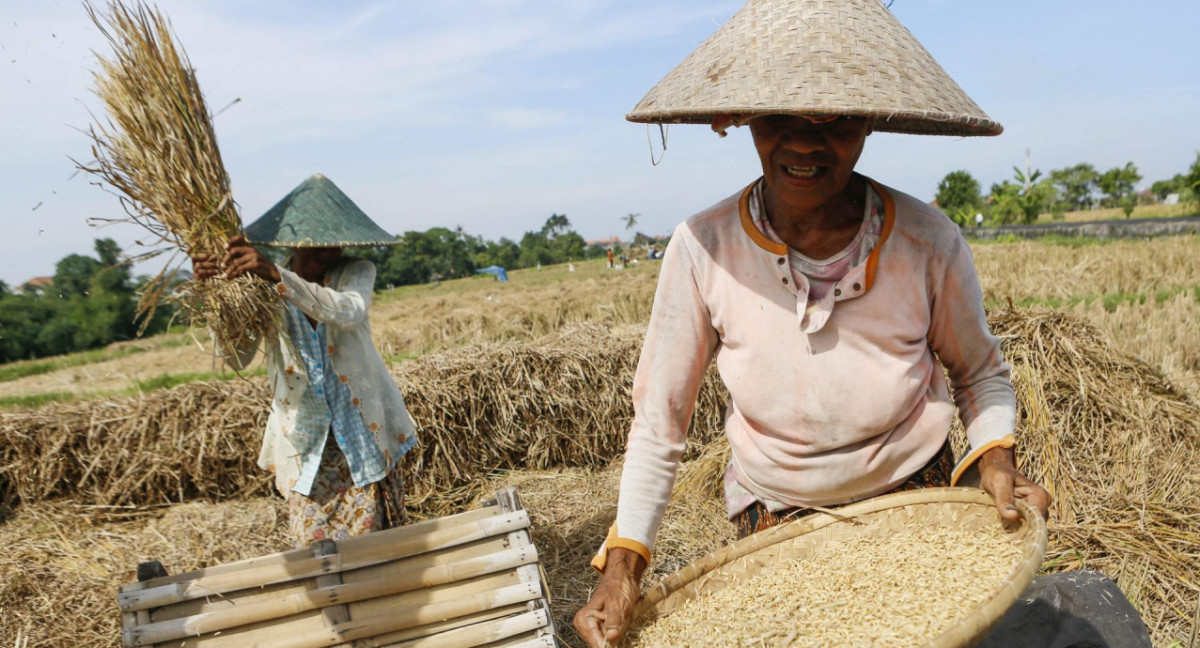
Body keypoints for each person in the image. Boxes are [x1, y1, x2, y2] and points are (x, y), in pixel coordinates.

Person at [574, 1, 1150, 647]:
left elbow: (980, 372)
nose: (803, 142)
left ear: (872, 122)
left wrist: (996, 462)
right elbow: (660, 423)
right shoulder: (701, 248)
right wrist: (622, 568)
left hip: (920, 497)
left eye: (838, 120)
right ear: (740, 119)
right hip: (779, 524)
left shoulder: (927, 242)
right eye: (778, 117)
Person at [191, 173, 417, 549]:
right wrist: (214, 295)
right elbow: (236, 357)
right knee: (318, 559)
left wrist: (278, 276)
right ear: (297, 243)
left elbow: (347, 312)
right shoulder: (257, 285)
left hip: (360, 438)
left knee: (376, 554)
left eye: (335, 242)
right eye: (319, 243)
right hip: (305, 445)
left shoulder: (355, 272)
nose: (330, 250)